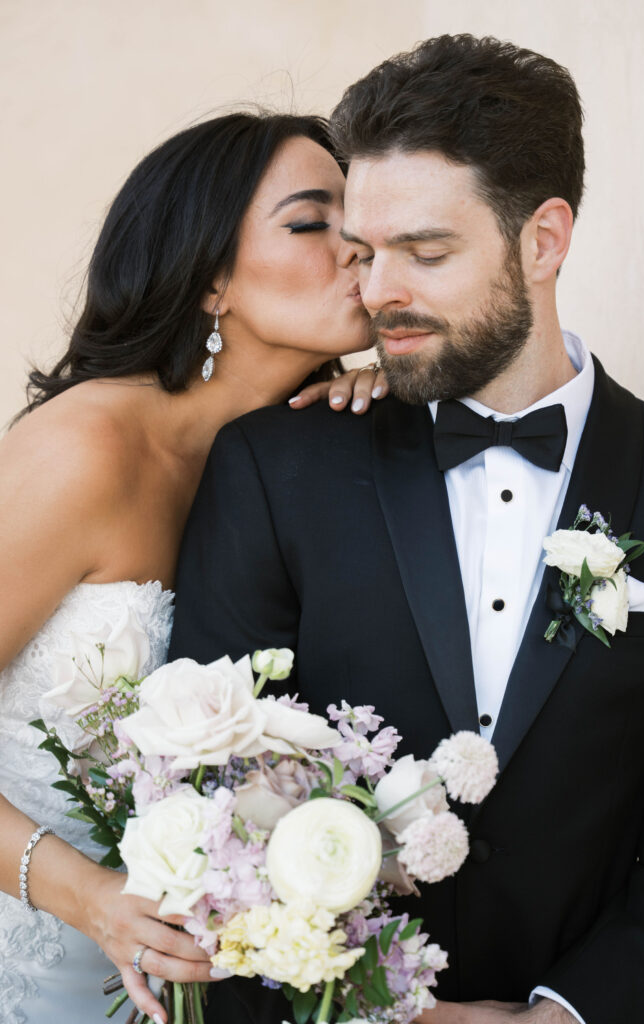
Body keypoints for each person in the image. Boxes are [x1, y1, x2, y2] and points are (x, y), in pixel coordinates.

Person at [169, 34, 644, 1024]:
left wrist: (560, 1016)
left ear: (541, 240)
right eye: (363, 252)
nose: (375, 292)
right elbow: (210, 804)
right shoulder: (275, 467)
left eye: (425, 252)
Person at [0, 110, 386, 1024]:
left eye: (358, 219)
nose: (357, 247)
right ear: (210, 277)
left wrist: (391, 395)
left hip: (191, 979)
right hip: (36, 947)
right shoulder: (88, 448)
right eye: (309, 222)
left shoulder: (318, 451)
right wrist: (86, 896)